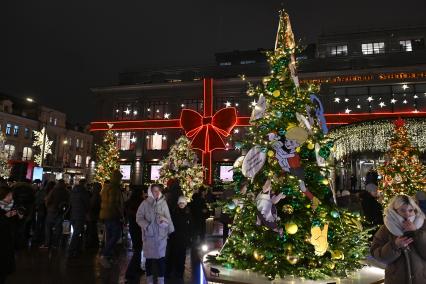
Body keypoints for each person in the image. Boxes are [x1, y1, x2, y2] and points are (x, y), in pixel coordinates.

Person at [371, 195, 426, 284]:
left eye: (410, 210)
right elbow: (377, 255)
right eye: (402, 210)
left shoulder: (423, 225)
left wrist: (415, 233)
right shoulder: (386, 228)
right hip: (396, 280)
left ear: (415, 210)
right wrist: (394, 246)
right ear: (394, 211)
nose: (407, 214)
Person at [136, 184, 174, 284]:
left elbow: (168, 217)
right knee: (149, 261)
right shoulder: (145, 203)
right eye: (154, 191)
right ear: (150, 192)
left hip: (161, 236)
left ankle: (161, 281)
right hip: (149, 237)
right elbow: (139, 217)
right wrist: (147, 226)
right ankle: (149, 280)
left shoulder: (163, 203)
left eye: (158, 191)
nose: (156, 193)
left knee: (161, 260)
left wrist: (170, 229)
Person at [99, 170, 124, 268]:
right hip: (112, 215)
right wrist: (121, 214)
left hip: (105, 215)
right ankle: (105, 255)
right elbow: (114, 203)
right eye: (120, 178)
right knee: (116, 235)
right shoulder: (114, 188)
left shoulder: (106, 187)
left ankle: (108, 257)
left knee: (109, 236)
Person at [165, 196, 191, 283]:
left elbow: (190, 226)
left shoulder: (188, 213)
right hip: (174, 238)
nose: (181, 204)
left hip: (183, 239)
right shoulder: (174, 212)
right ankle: (170, 272)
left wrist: (189, 237)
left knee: (181, 256)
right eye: (180, 203)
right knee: (172, 255)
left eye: (183, 203)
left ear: (185, 204)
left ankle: (179, 272)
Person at [0, 186, 22, 284]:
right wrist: (5, 217)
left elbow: (14, 226)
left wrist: (18, 217)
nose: (11, 197)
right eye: (9, 195)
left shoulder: (10, 207)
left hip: (6, 244)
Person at [41, 180, 69, 249]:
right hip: (61, 212)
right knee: (58, 229)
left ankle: (47, 243)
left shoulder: (54, 190)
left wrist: (48, 207)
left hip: (52, 211)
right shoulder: (66, 192)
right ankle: (55, 244)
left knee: (48, 228)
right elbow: (68, 202)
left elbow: (47, 200)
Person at [124, 187, 145, 282]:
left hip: (133, 227)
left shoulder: (130, 202)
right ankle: (130, 271)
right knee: (138, 249)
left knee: (138, 248)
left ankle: (136, 268)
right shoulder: (140, 202)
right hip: (138, 228)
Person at [68, 179, 90, 258]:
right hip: (80, 215)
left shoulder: (72, 193)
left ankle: (77, 248)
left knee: (78, 232)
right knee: (77, 233)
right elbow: (87, 204)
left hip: (73, 214)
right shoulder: (83, 193)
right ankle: (72, 249)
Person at [86, 182, 101, 249]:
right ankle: (93, 243)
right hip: (93, 215)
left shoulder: (95, 195)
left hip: (91, 216)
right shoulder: (97, 195)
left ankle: (91, 244)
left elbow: (91, 205)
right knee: (92, 230)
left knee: (91, 230)